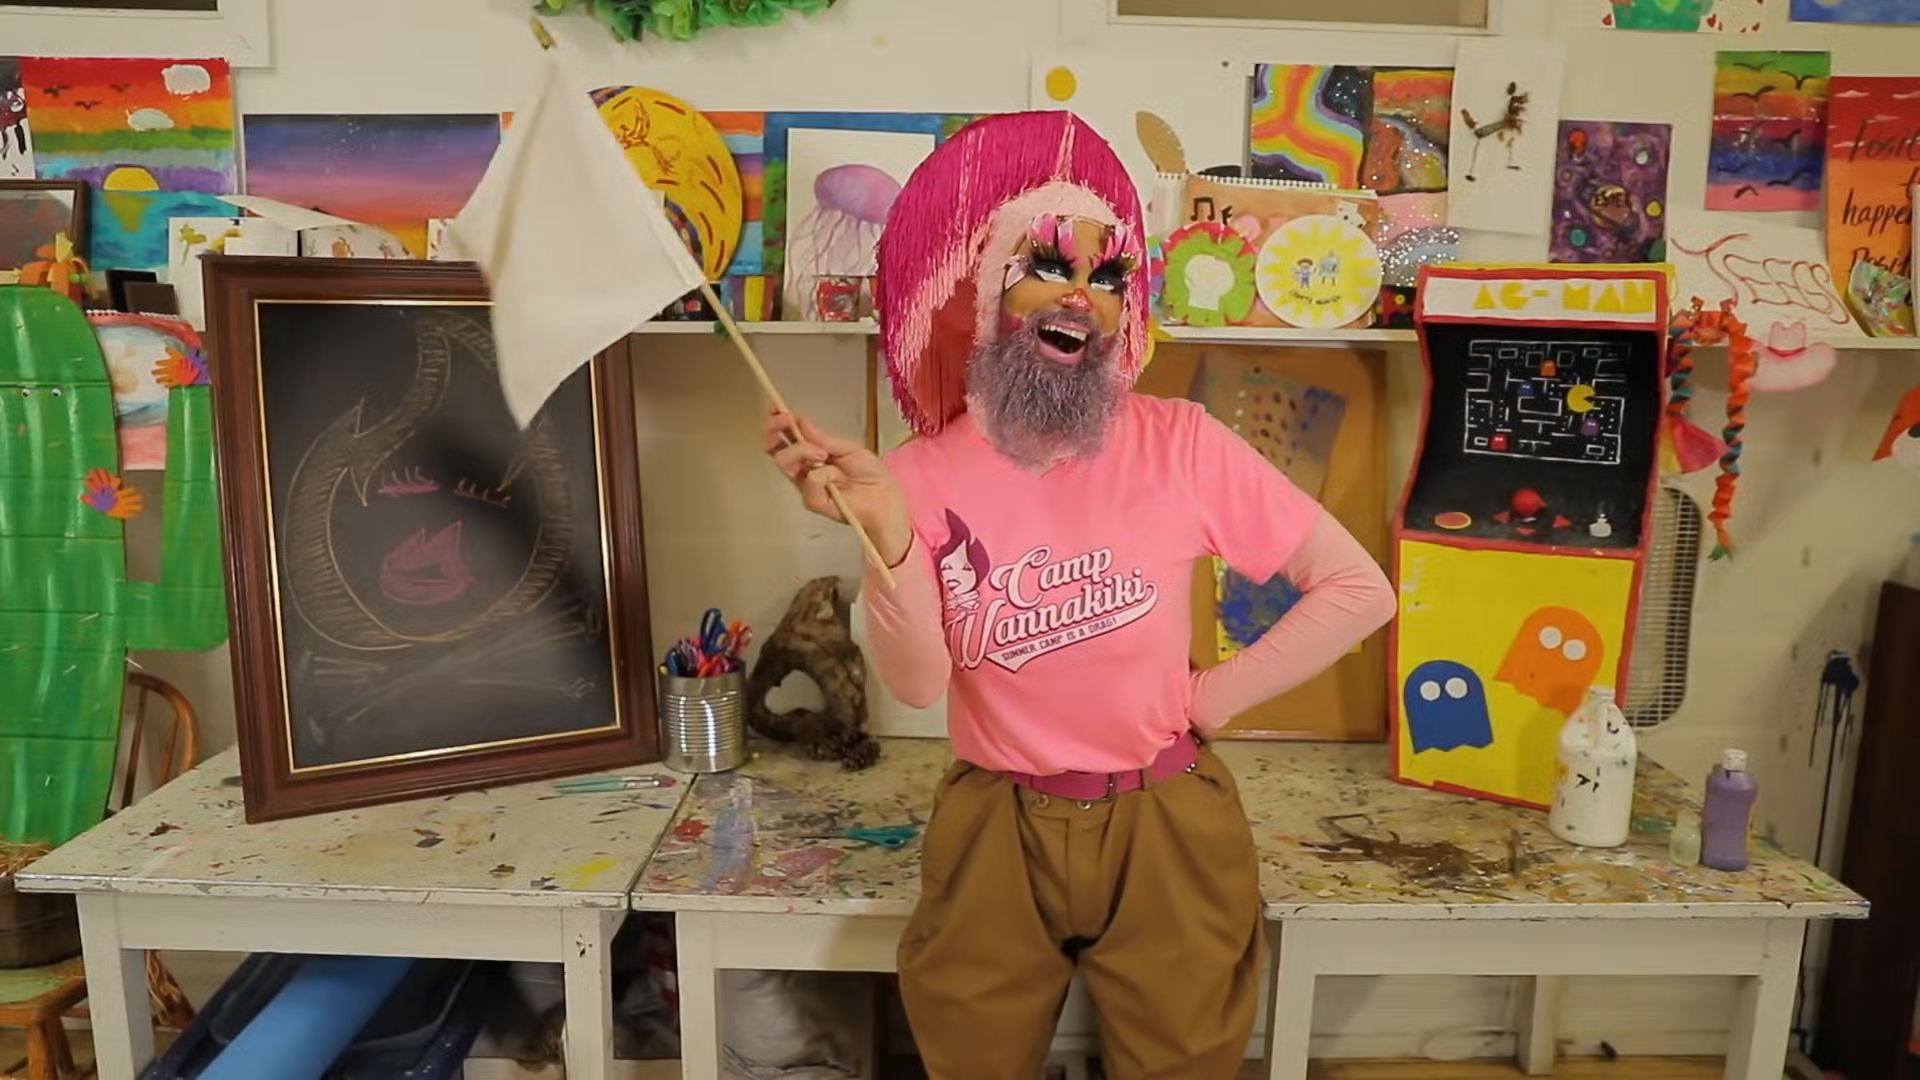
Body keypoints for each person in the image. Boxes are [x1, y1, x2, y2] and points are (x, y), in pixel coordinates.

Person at [761, 111, 1396, 1080]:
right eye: (1050, 265)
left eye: (1109, 277)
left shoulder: (1180, 443)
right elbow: (918, 685)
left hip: (1166, 819)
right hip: (994, 825)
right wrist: (888, 536)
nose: (1082, 297)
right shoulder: (916, 475)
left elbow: (1358, 589)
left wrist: (1209, 698)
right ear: (989, 290)